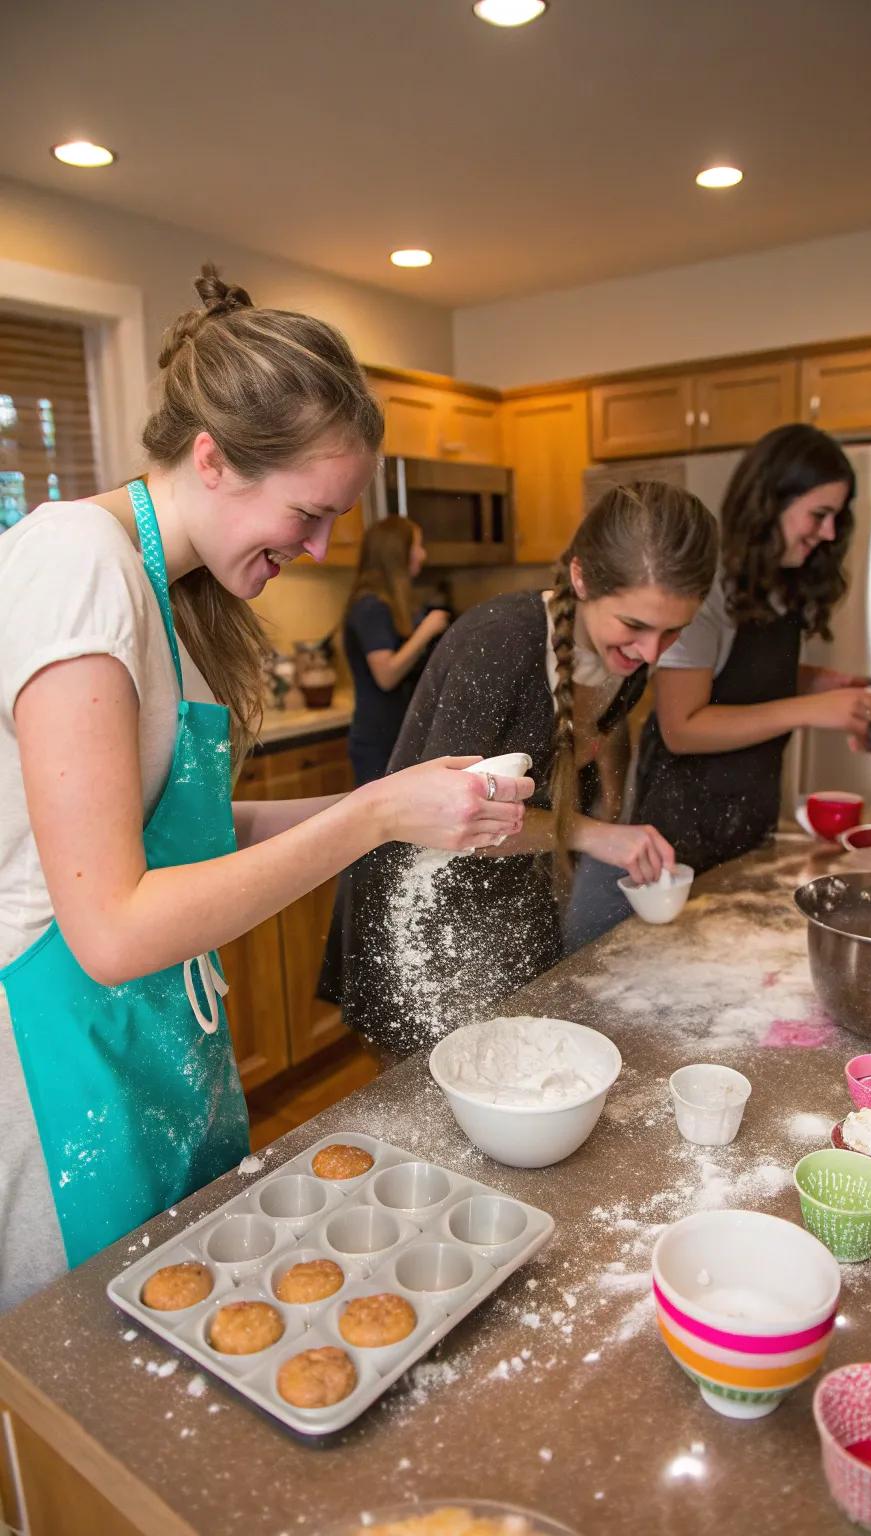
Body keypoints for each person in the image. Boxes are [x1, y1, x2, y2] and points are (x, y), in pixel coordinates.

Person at [0, 266, 530, 1312]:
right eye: (309, 512)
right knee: (90, 1394)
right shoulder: (73, 562)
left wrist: (400, 804)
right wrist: (372, 814)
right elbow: (107, 926)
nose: (323, 547)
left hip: (156, 1039)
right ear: (213, 459)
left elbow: (200, 827)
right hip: (60, 1064)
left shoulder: (175, 600)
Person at [320, 481, 719, 1057]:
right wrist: (596, 835)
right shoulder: (500, 644)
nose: (653, 653)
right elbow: (450, 824)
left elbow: (565, 777)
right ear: (581, 578)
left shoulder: (625, 662)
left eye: (673, 631)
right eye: (634, 625)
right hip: (418, 917)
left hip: (512, 904)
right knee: (432, 1117)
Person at [636, 423, 871, 870]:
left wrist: (817, 684)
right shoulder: (706, 589)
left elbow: (739, 679)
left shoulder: (779, 584)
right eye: (818, 515)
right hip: (682, 827)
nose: (827, 533)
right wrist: (811, 709)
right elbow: (681, 727)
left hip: (748, 813)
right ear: (771, 503)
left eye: (835, 519)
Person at [344, 516, 450, 785]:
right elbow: (386, 674)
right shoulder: (370, 607)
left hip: (398, 736)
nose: (423, 554)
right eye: (418, 545)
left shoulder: (395, 605)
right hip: (379, 743)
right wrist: (427, 630)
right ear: (398, 552)